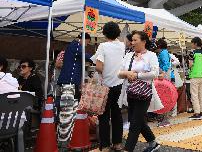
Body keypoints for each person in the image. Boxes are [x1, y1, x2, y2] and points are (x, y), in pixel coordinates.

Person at [118, 31, 161, 152]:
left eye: (135, 40)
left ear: (144, 41)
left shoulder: (151, 55)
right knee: (136, 119)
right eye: (132, 40)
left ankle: (128, 149)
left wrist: (137, 75)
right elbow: (119, 72)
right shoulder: (128, 55)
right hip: (130, 92)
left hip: (144, 92)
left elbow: (155, 73)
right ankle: (153, 142)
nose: (132, 42)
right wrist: (127, 73)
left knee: (135, 122)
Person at [93, 22, 125, 151]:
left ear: (105, 33)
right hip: (119, 84)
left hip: (105, 85)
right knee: (117, 114)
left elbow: (99, 67)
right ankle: (117, 143)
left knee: (104, 116)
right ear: (117, 32)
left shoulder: (103, 46)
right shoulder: (122, 45)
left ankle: (105, 146)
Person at [57, 33, 92, 144]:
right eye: (87, 43)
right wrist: (99, 58)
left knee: (70, 109)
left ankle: (67, 137)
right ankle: (63, 141)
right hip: (69, 82)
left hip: (71, 82)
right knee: (67, 111)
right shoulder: (75, 45)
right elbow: (87, 56)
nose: (86, 45)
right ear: (83, 39)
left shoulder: (74, 47)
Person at [188, 37, 202, 120]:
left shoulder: (192, 53)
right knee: (201, 94)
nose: (191, 45)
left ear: (195, 44)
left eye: (192, 43)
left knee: (194, 95)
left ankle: (197, 112)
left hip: (195, 75)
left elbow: (190, 64)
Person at [155, 38, 173, 127]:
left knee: (163, 97)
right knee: (164, 97)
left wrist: (162, 73)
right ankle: (164, 119)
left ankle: (165, 119)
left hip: (164, 76)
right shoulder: (164, 52)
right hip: (164, 76)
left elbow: (166, 65)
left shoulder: (163, 53)